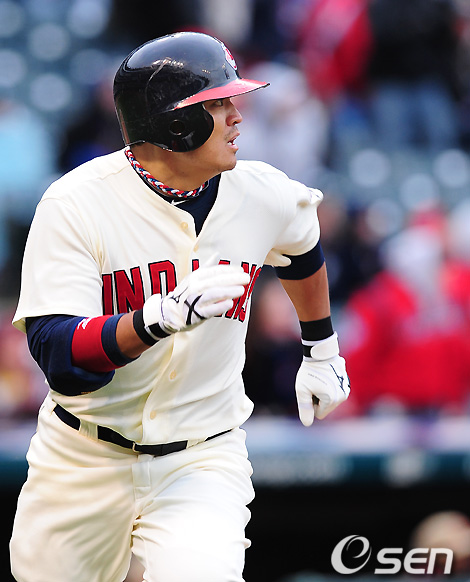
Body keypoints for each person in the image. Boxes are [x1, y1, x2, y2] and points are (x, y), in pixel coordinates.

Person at [9, 31, 350, 582]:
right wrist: (155, 320)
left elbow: (302, 247)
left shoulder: (261, 191)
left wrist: (322, 348)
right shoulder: (76, 203)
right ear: (175, 123)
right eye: (218, 104)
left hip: (201, 455)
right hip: (84, 452)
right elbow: (59, 357)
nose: (238, 116)